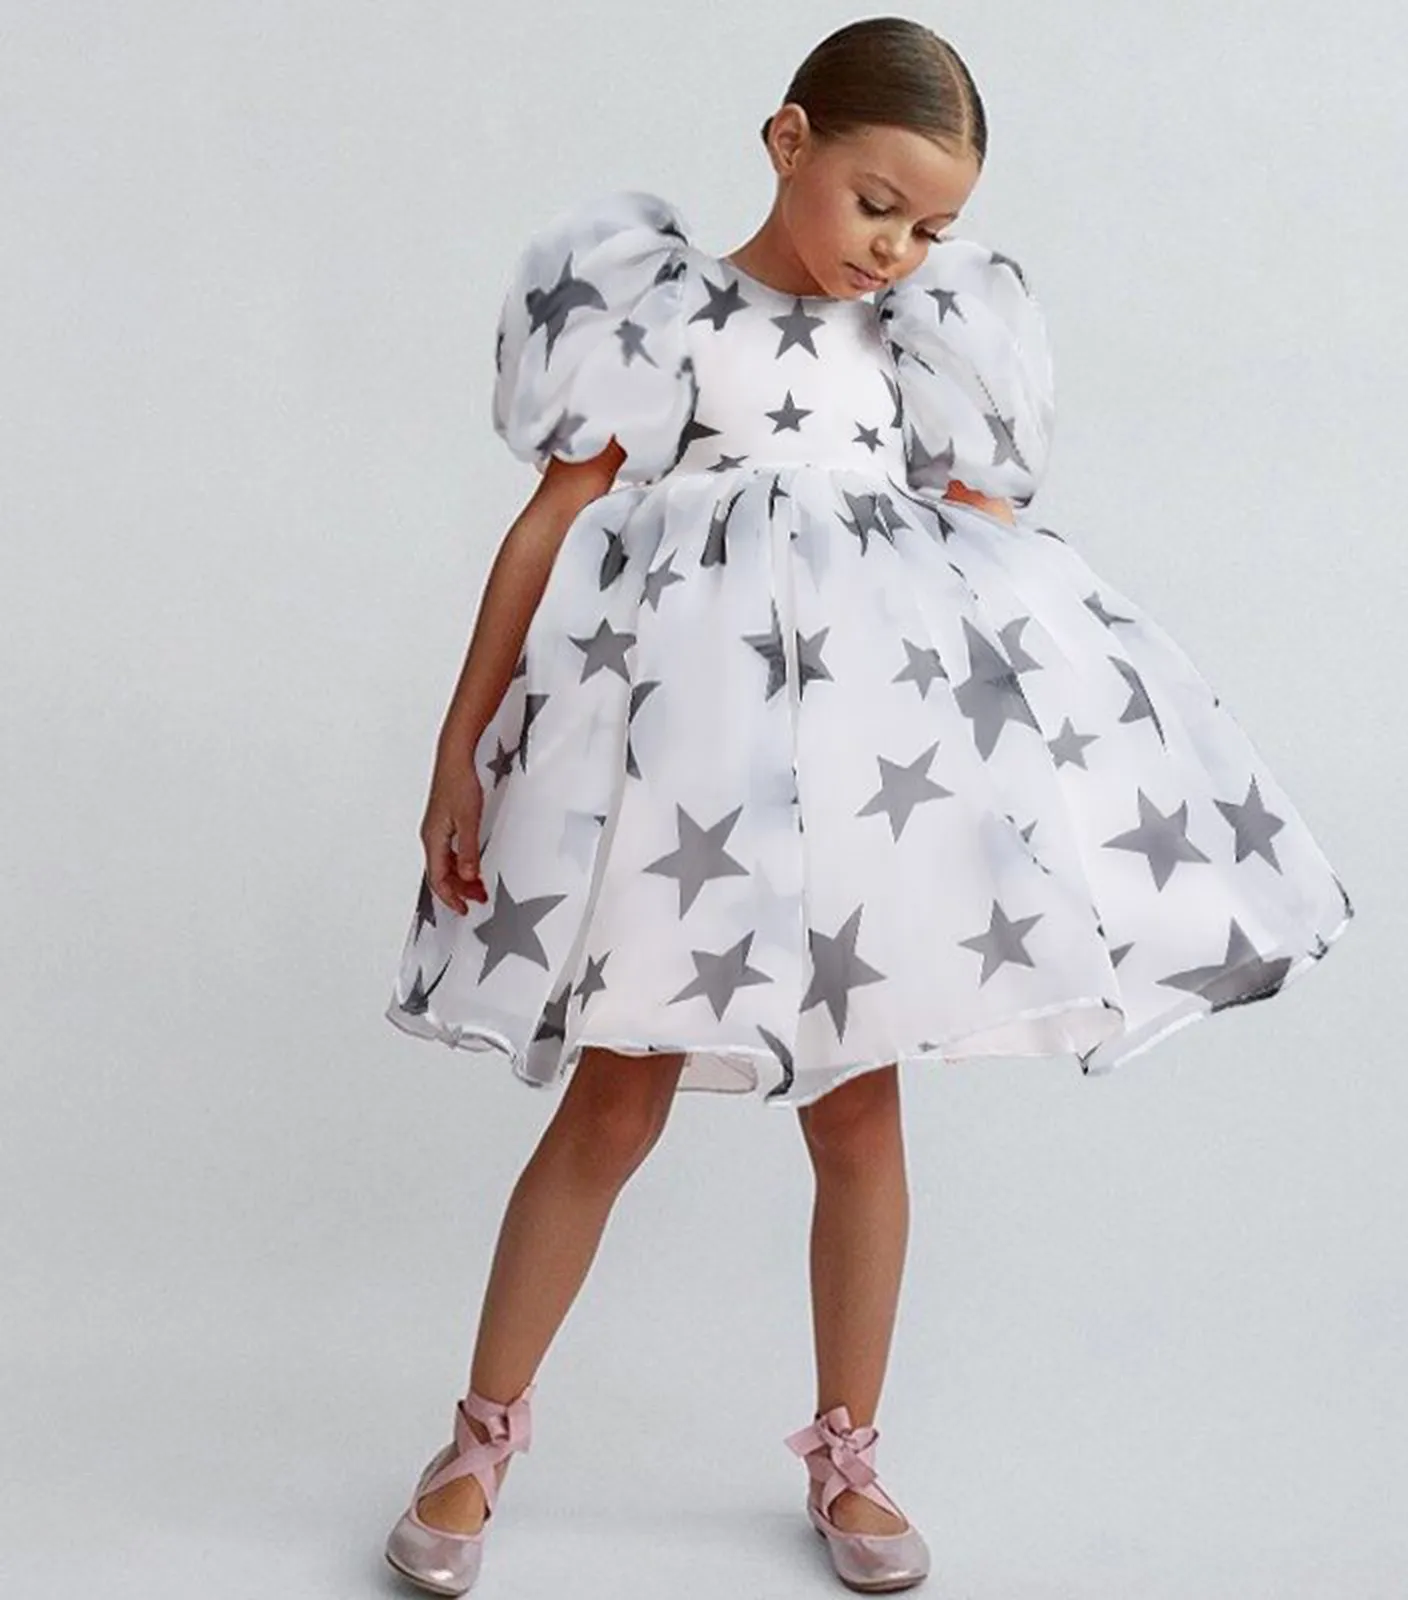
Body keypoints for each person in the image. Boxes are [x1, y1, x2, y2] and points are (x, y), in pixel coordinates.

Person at [380, 16, 1354, 1595]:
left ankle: (848, 1451)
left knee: (857, 1108)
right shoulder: (665, 312)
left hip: (862, 790)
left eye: (932, 229)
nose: (897, 250)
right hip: (685, 783)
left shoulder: (921, 343)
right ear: (790, 143)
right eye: (878, 204)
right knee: (613, 1104)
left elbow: (972, 564)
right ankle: (478, 1439)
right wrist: (461, 742)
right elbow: (550, 526)